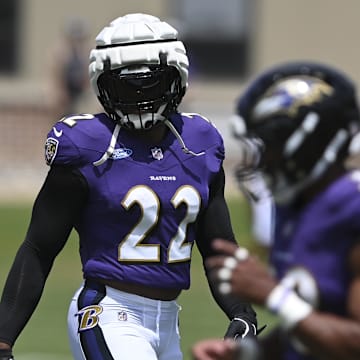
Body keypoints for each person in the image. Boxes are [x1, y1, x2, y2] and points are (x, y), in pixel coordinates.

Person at [0, 13, 258, 360]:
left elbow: (217, 248)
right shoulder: (87, 145)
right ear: (103, 84)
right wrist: (3, 339)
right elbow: (38, 248)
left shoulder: (199, 143)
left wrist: (242, 313)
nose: (139, 95)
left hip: (169, 321)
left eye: (150, 82)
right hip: (108, 312)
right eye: (126, 83)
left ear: (176, 77)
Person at [192, 61, 360, 359]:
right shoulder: (296, 208)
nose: (263, 158)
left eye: (271, 144)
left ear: (310, 141)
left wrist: (273, 295)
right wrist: (247, 352)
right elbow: (307, 330)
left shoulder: (352, 208)